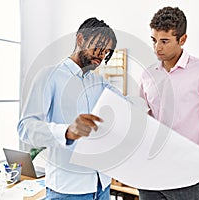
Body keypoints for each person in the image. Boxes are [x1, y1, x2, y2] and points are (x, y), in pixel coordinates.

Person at [17, 17, 122, 199]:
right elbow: (25, 127)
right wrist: (66, 131)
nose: (101, 55)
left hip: (102, 185)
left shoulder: (100, 83)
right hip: (68, 189)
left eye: (106, 52)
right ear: (80, 39)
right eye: (97, 47)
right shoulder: (49, 75)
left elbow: (126, 106)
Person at [139, 6, 199, 200]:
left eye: (165, 41)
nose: (157, 47)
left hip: (187, 180)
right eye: (154, 40)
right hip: (150, 179)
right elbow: (142, 119)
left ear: (182, 40)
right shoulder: (147, 74)